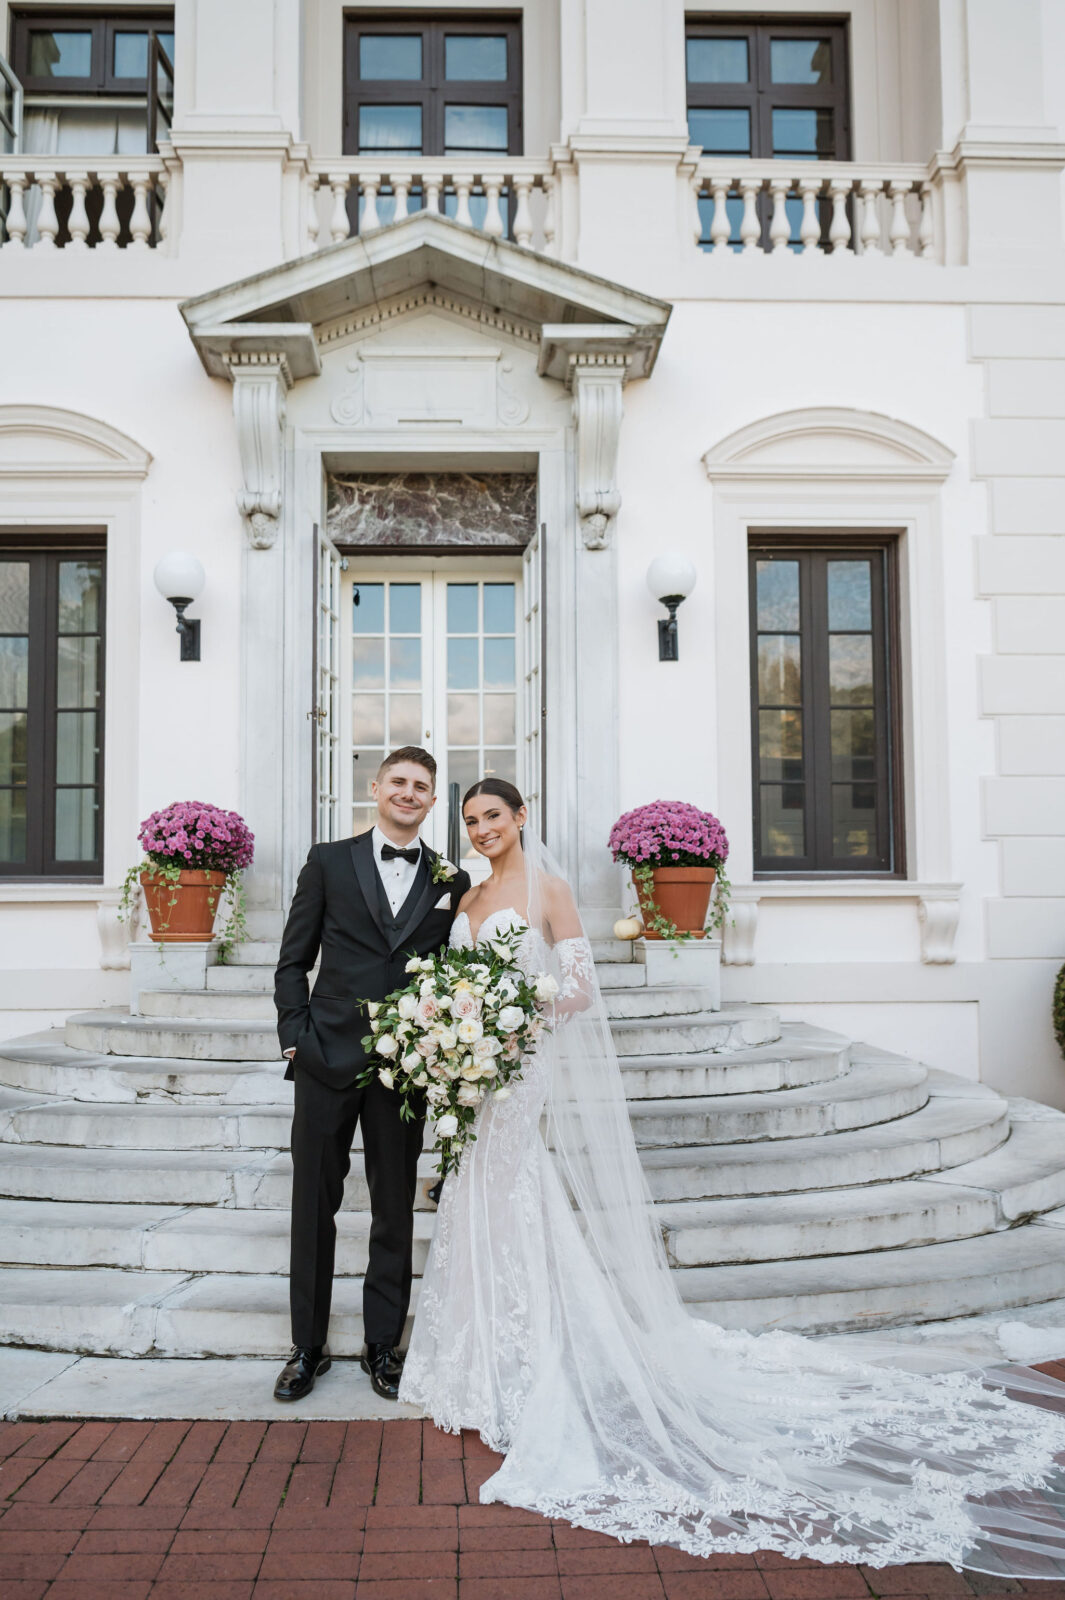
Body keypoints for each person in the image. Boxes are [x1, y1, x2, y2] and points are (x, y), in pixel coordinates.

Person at [400, 776, 1065, 1579]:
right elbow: (451, 980)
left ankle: (529, 1354)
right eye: (470, 821)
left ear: (520, 818)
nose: (481, 831)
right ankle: (473, 1361)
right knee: (479, 1193)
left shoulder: (549, 887)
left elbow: (578, 984)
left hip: (522, 1060)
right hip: (478, 1072)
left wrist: (519, 1008)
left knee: (514, 1191)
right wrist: (456, 1022)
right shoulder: (469, 894)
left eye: (492, 818)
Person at [273, 747, 470, 1403]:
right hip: (324, 1058)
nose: (409, 793)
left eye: (421, 786)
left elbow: (454, 971)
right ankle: (307, 1347)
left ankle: (383, 1346)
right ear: (375, 787)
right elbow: (292, 959)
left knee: (392, 1210)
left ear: (432, 800)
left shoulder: (450, 878)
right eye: (399, 782)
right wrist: (294, 1038)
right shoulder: (328, 860)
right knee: (313, 1207)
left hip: (403, 1069)